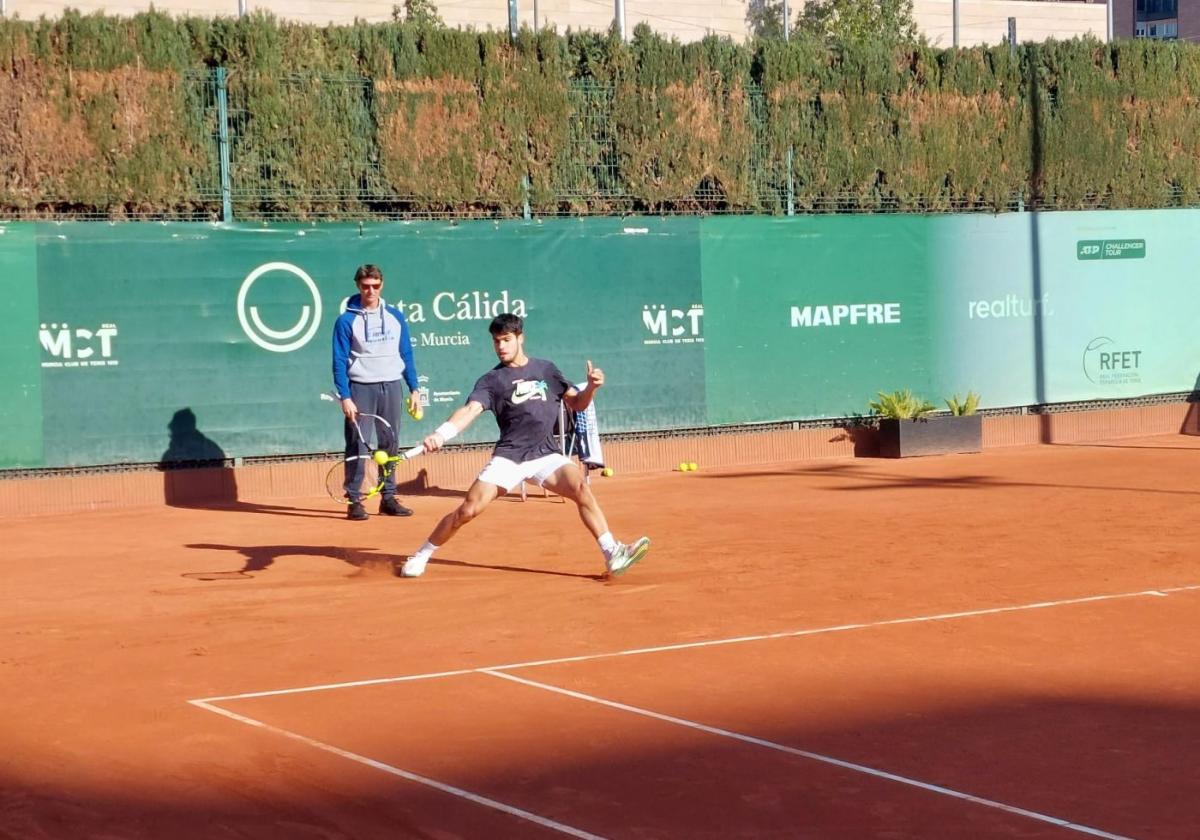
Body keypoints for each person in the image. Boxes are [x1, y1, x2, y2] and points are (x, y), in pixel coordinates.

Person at [400, 313, 650, 579]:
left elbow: (577, 404)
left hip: (546, 454)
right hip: (510, 458)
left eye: (506, 340)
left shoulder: (546, 370)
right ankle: (422, 554)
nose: (501, 347)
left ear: (520, 338)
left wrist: (591, 388)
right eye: (496, 341)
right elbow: (470, 409)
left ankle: (612, 552)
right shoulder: (491, 381)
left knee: (580, 488)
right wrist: (441, 434)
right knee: (467, 510)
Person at [332, 264, 422, 521]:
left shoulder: (395, 316)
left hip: (392, 385)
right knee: (358, 444)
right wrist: (345, 396)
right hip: (361, 388)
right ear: (358, 286)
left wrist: (414, 388)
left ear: (382, 285)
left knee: (390, 443)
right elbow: (338, 360)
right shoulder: (346, 320)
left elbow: (406, 353)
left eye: (375, 285)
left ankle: (389, 497)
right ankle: (355, 500)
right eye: (365, 286)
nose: (370, 290)